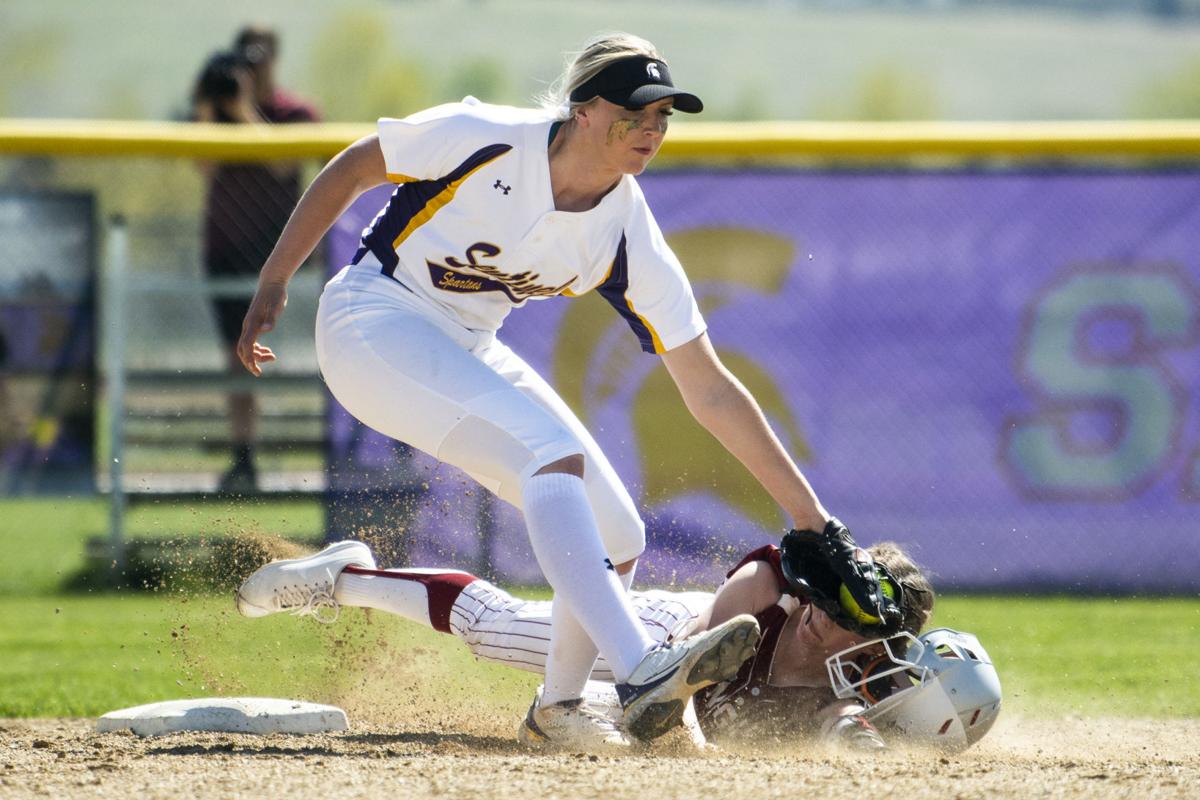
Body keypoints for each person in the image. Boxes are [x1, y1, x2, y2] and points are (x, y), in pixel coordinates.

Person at [235, 31, 901, 751]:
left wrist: (814, 522)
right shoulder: (489, 137)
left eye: (663, 117)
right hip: (370, 322)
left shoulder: (626, 230)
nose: (651, 129)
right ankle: (639, 669)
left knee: (620, 532)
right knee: (551, 458)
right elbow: (355, 168)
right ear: (583, 109)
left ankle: (558, 708)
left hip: (465, 346)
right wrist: (274, 282)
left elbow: (707, 389)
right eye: (635, 112)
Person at [236, 536, 939, 751]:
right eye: (832, 596)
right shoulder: (766, 592)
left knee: (593, 731)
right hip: (666, 640)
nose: (826, 615)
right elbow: (679, 676)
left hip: (673, 688)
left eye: (856, 619)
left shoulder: (858, 680)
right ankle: (347, 574)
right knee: (497, 629)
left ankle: (561, 709)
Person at [191, 26, 320, 494]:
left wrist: (244, 111)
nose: (252, 66)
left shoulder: (295, 112)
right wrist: (209, 108)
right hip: (226, 250)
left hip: (281, 253)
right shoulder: (220, 118)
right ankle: (243, 456)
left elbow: (285, 165)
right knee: (234, 357)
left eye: (260, 57)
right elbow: (203, 166)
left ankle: (336, 451)